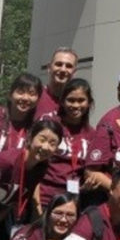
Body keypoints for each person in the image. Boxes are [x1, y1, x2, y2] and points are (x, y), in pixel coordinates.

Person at [39, 78, 95, 206]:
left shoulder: (92, 134)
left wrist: (90, 180)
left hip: (73, 201)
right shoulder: (50, 126)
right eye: (71, 100)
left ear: (89, 103)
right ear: (62, 102)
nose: (76, 105)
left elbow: (91, 168)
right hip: (45, 198)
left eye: (81, 100)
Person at [35, 47, 79, 119]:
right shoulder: (36, 96)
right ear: (49, 68)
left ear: (74, 72)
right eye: (58, 64)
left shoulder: (77, 103)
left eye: (68, 66)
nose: (63, 69)